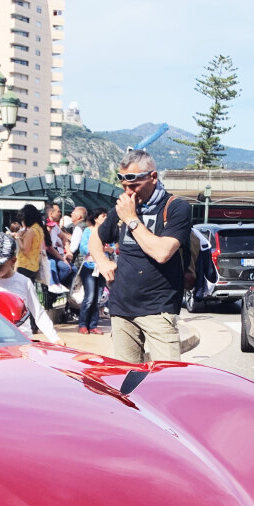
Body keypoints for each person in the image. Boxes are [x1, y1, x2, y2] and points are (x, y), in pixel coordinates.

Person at [89, 150, 193, 363]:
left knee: (168, 378)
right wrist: (102, 261)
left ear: (153, 177)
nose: (128, 192)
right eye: (124, 185)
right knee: (127, 378)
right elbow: (95, 238)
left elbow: (162, 253)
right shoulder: (122, 208)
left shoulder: (176, 208)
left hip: (159, 309)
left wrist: (131, 219)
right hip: (122, 308)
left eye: (134, 185)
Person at [0, 232, 59, 343]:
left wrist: (54, 338)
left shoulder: (24, 282)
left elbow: (38, 313)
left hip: (22, 342)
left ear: (13, 261)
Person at [74, 208, 103, 334]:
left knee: (98, 298)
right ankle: (83, 324)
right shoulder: (88, 231)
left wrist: (108, 249)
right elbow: (83, 248)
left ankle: (93, 325)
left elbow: (113, 247)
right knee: (89, 297)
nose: (105, 218)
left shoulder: (107, 231)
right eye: (103, 216)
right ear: (96, 218)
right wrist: (98, 248)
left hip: (102, 267)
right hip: (89, 266)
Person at [14, 203, 47, 283]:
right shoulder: (39, 229)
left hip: (24, 265)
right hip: (34, 265)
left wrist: (18, 237)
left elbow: (25, 250)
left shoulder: (31, 231)